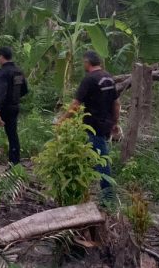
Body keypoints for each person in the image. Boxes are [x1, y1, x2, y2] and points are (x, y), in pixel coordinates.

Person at [57, 51, 120, 203]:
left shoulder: (89, 80)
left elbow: (76, 105)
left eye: (83, 62)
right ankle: (83, 189)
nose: (82, 65)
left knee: (102, 162)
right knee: (88, 157)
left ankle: (109, 199)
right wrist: (115, 123)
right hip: (105, 124)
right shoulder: (108, 78)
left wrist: (62, 121)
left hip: (93, 126)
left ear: (87, 62)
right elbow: (116, 103)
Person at [0, 46, 28, 165]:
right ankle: (14, 163)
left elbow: (2, 92)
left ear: (2, 57)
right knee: (12, 134)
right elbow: (24, 89)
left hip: (2, 107)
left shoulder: (3, 72)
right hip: (14, 106)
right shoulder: (18, 71)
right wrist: (14, 98)